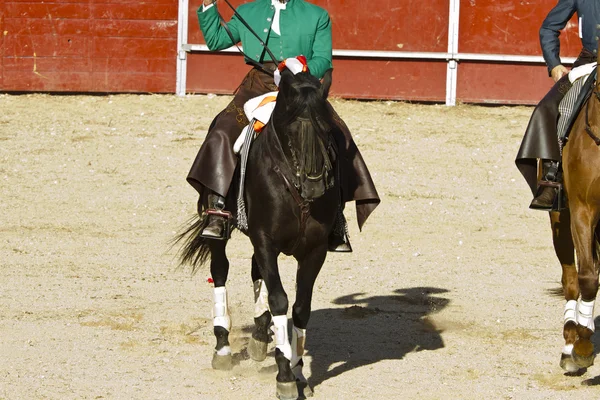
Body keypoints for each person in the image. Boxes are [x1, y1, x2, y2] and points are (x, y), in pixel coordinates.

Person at [187, 0, 380, 250]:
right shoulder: (248, 11)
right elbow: (215, 40)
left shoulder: (317, 15)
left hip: (300, 86)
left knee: (338, 133)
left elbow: (323, 58)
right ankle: (217, 209)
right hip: (257, 84)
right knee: (222, 131)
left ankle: (336, 218)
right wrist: (208, 5)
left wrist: (298, 67)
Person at [516, 0, 598, 211]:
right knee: (553, 109)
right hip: (589, 64)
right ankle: (552, 176)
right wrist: (554, 64)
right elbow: (549, 27)